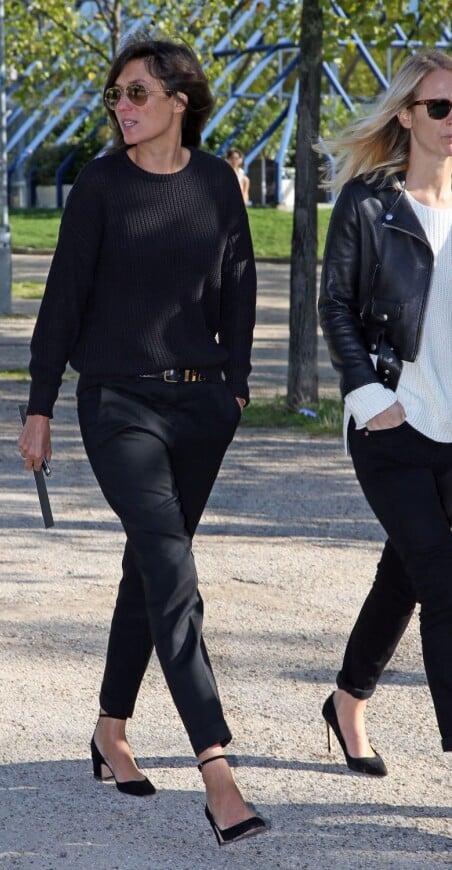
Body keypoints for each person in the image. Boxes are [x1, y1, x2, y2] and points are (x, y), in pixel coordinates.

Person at [18, 37, 266, 844]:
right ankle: (218, 772)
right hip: (117, 405)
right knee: (173, 572)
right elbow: (62, 298)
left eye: (135, 94)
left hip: (202, 409)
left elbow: (239, 282)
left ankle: (110, 729)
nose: (121, 107)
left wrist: (235, 386)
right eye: (115, 96)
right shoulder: (99, 185)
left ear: (178, 99)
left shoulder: (215, 186)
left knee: (148, 571)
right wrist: (40, 405)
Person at [318, 49, 452, 775]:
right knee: (444, 580)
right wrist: (370, 399)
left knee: (406, 572)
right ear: (406, 114)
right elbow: (334, 305)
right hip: (393, 425)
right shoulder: (370, 203)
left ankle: (347, 700)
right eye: (441, 107)